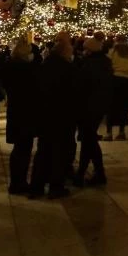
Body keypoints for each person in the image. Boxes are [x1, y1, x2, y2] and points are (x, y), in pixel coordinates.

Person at [30, 33, 77, 199]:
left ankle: (36, 186)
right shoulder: (67, 68)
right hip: (61, 116)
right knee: (59, 152)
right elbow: (72, 94)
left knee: (43, 151)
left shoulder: (45, 65)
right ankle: (56, 186)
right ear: (65, 52)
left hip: (45, 115)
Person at [2, 35, 41, 195]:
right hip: (26, 111)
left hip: (15, 110)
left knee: (18, 148)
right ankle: (20, 182)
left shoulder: (9, 65)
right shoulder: (27, 68)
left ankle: (15, 181)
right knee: (24, 148)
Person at [73, 38, 111, 187]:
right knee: (89, 140)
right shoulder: (104, 62)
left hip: (88, 107)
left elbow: (83, 86)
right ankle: (96, 173)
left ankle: (86, 173)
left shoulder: (90, 64)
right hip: (98, 106)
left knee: (88, 140)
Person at [106, 36, 128, 141]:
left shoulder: (112, 52)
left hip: (114, 79)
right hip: (127, 80)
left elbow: (108, 65)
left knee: (111, 106)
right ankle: (121, 131)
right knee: (124, 107)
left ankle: (109, 132)